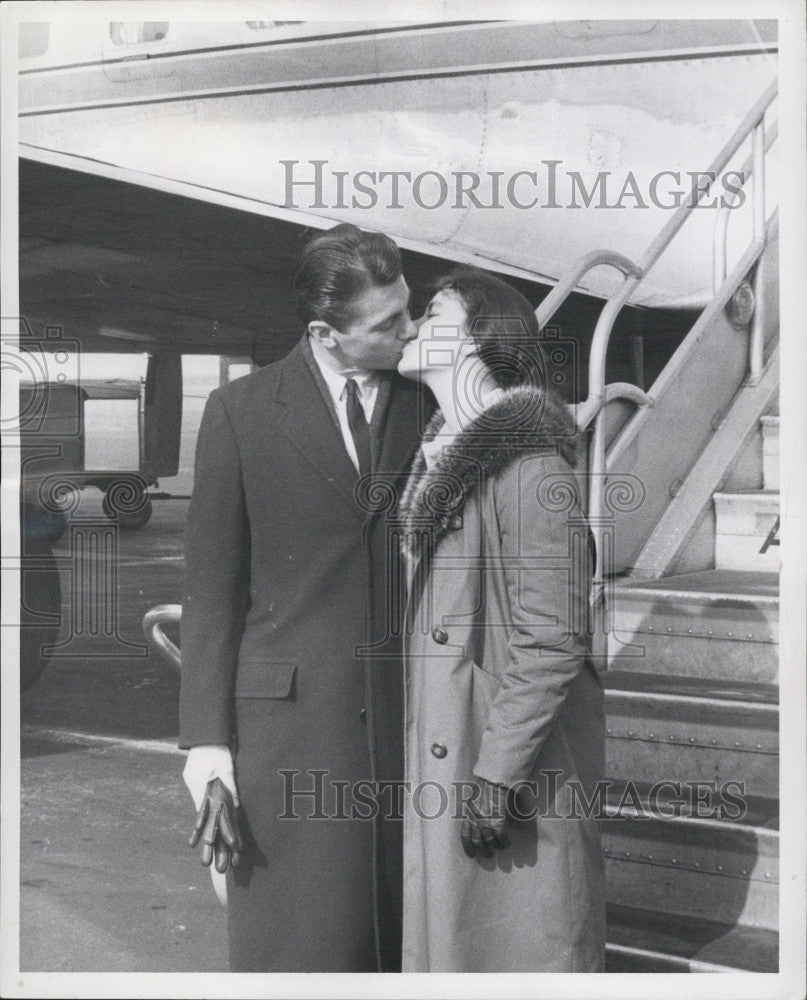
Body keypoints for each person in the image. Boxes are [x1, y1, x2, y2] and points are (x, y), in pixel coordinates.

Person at [178, 223, 430, 972]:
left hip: (407, 726)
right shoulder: (239, 412)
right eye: (388, 324)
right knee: (299, 949)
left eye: (407, 309)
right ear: (325, 333)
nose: (409, 331)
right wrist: (207, 750)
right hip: (285, 740)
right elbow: (212, 591)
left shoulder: (428, 410)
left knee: (396, 946)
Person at [396, 267, 606, 972]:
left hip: (506, 778)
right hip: (454, 759)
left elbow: (552, 638)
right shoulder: (439, 461)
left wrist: (494, 774)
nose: (413, 324)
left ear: (481, 340)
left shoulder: (531, 468)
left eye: (432, 312)